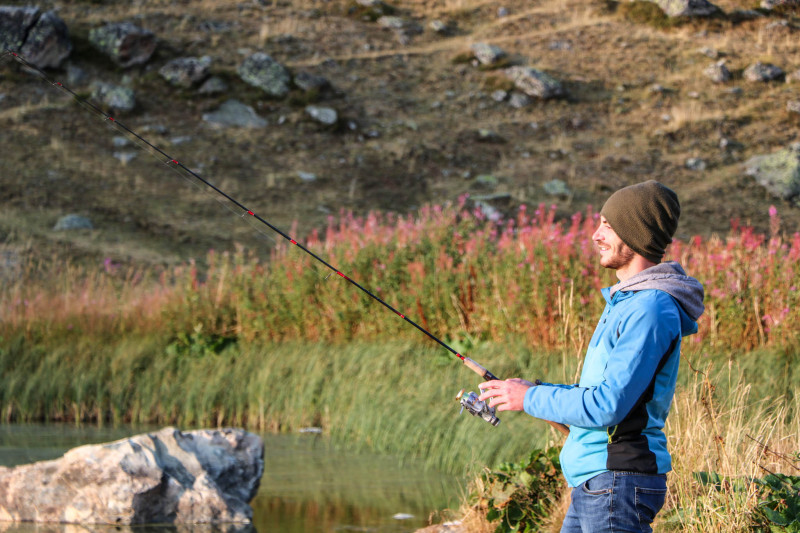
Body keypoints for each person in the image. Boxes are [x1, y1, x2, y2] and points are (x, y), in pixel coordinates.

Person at [478, 180, 705, 533]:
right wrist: (530, 390)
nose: (596, 235)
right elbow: (599, 395)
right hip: (597, 483)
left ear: (637, 233)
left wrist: (530, 398)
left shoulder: (650, 308)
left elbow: (607, 405)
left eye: (608, 226)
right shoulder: (627, 303)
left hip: (617, 482)